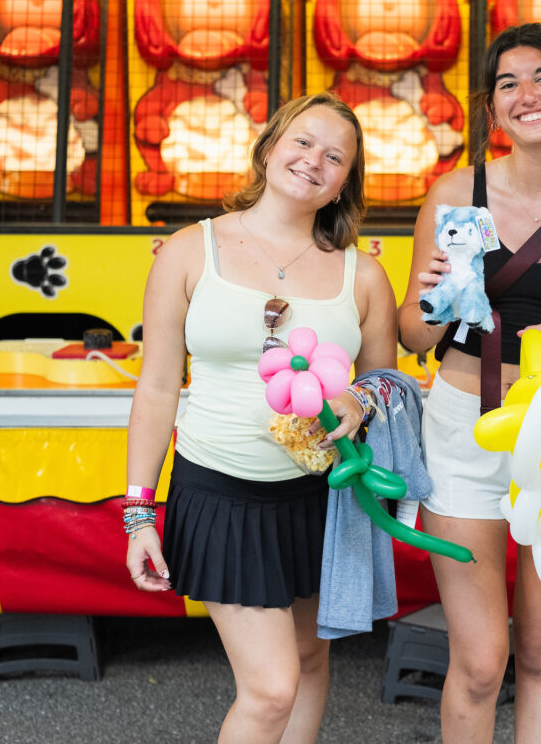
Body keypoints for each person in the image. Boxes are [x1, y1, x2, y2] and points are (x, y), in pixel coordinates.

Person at [123, 91, 398, 744]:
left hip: (321, 499)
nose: (314, 161)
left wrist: (360, 401)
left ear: (342, 186)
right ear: (270, 147)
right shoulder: (191, 251)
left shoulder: (364, 276)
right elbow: (158, 386)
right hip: (220, 494)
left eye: (335, 157)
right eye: (302, 141)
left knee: (309, 659)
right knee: (272, 687)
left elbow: (387, 382)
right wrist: (139, 512)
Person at [398, 22, 541, 744]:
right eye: (507, 83)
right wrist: (433, 298)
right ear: (493, 108)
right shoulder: (454, 192)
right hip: (461, 423)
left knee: (539, 647)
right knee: (478, 660)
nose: (526, 94)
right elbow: (411, 335)